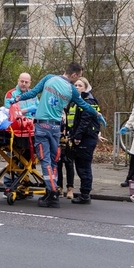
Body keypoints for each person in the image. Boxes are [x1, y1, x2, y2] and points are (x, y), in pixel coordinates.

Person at [14, 62, 106, 208]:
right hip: (56, 128)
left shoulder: (49, 78)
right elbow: (84, 105)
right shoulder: (72, 90)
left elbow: (32, 93)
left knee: (45, 161)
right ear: (74, 74)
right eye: (79, 76)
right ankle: (52, 190)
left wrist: (18, 99)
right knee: (53, 160)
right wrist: (97, 113)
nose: (78, 80)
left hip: (42, 126)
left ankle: (52, 194)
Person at [69, 77, 101, 205]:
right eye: (75, 85)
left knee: (84, 166)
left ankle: (85, 194)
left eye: (80, 85)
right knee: (80, 165)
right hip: (80, 137)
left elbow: (85, 121)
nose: (77, 87)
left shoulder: (89, 101)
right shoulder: (75, 101)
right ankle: (84, 193)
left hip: (86, 138)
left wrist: (77, 137)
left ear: (86, 88)